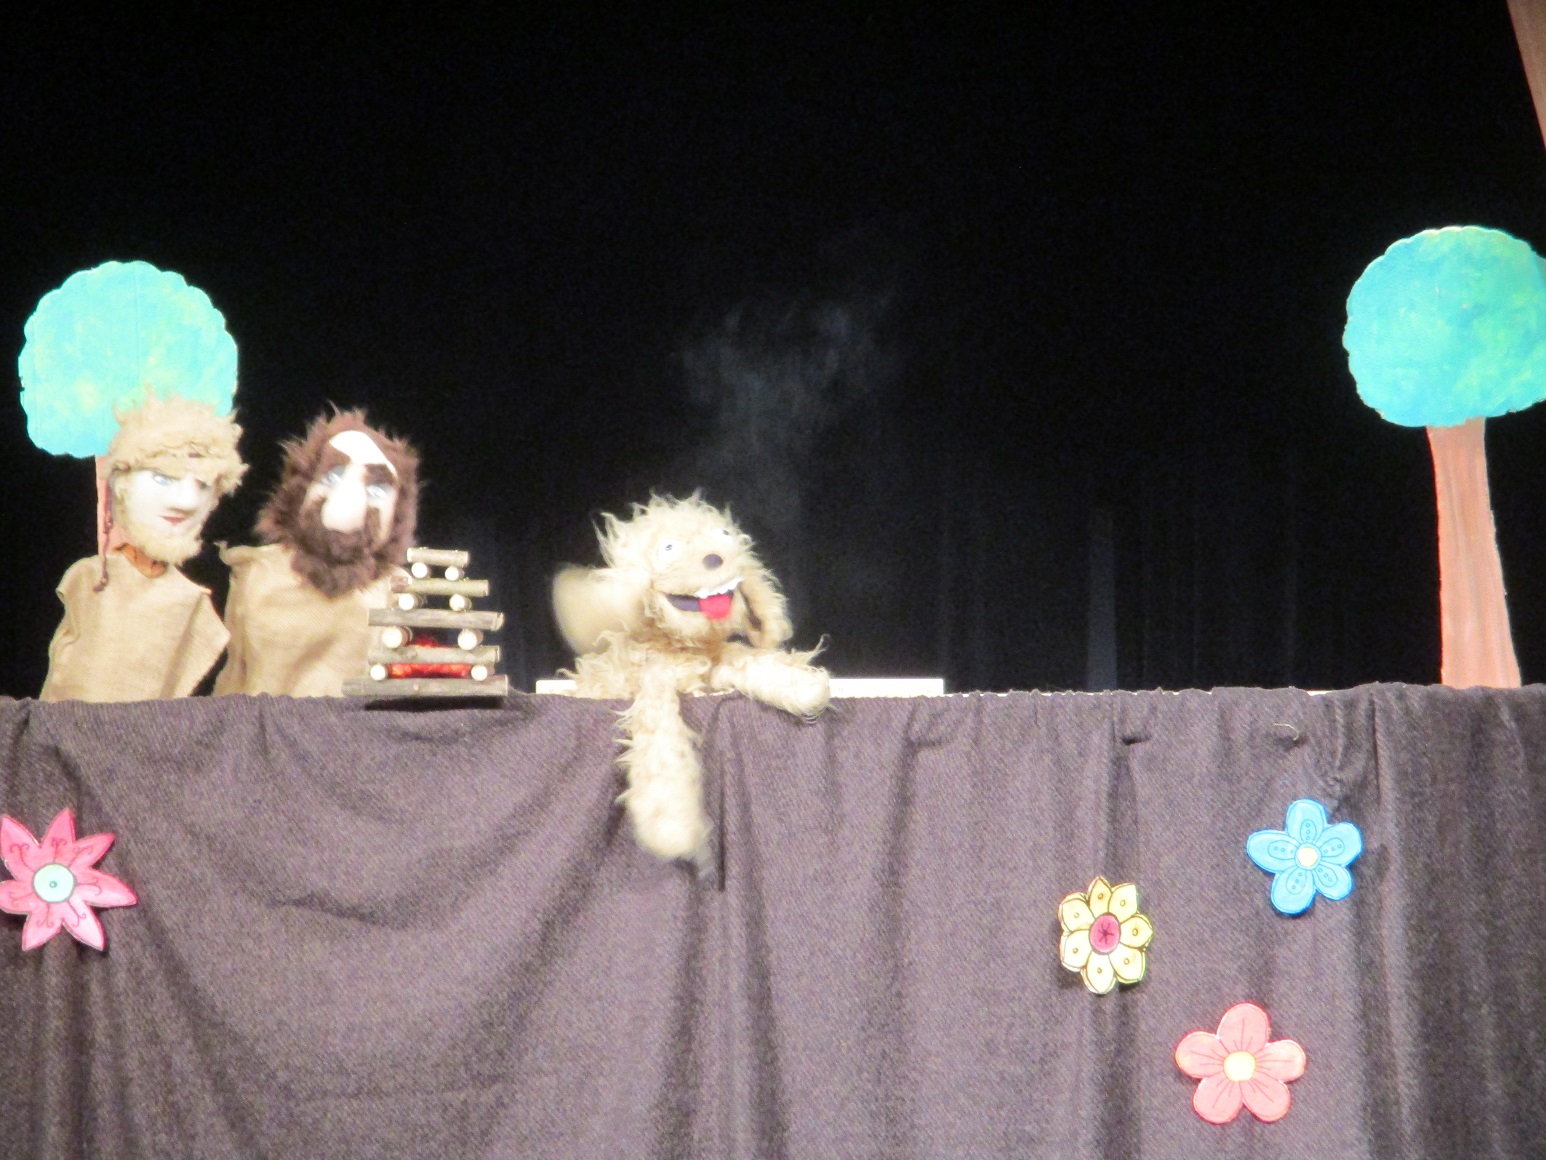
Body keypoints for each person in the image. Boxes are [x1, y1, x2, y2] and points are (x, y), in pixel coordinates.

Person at [40, 393, 246, 702]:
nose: (185, 502)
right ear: (123, 482)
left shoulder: (189, 600)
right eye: (164, 479)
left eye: (202, 484)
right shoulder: (91, 578)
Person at [215, 409, 419, 697]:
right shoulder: (260, 573)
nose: (348, 501)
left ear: (398, 515)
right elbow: (235, 676)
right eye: (332, 477)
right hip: (259, 720)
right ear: (301, 489)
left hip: (352, 724)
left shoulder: (393, 592)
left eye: (377, 489)